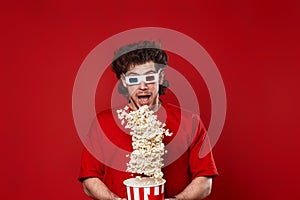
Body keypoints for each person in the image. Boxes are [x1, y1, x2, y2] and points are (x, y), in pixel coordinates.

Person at [78, 41, 218, 200]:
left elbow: (205, 180)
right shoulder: (103, 123)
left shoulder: (190, 122)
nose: (142, 86)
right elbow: (89, 178)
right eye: (134, 79)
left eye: (149, 77)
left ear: (161, 77)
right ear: (124, 81)